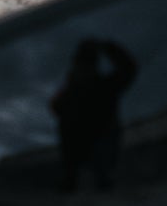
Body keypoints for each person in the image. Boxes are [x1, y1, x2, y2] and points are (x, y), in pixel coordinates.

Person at [51, 36, 139, 191]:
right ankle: (71, 181)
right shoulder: (68, 94)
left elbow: (129, 69)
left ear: (95, 66)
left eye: (89, 64)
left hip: (102, 158)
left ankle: (100, 181)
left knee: (102, 180)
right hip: (74, 164)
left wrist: (106, 47)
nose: (84, 69)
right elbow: (55, 108)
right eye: (80, 63)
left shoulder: (106, 88)